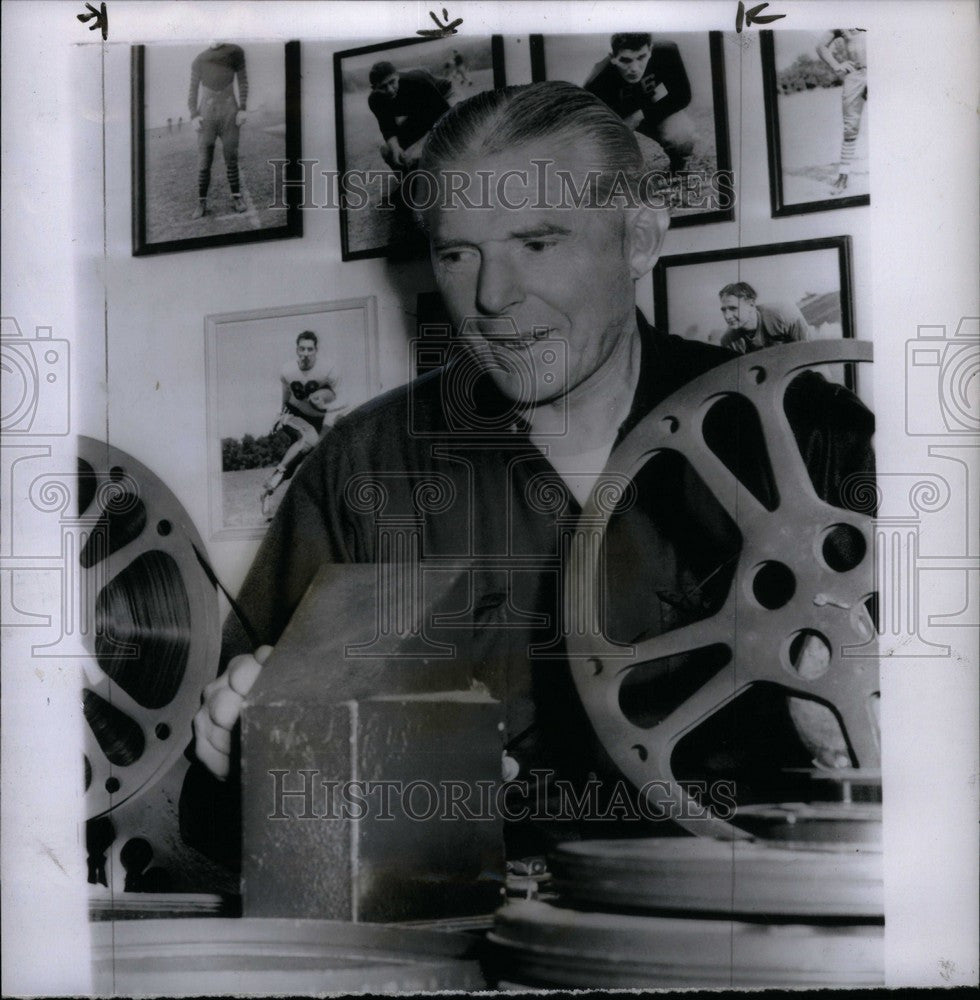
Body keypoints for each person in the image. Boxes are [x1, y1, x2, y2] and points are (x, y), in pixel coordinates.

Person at [194, 82, 873, 857]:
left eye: (538, 244)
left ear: (640, 237)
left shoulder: (803, 436)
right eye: (457, 253)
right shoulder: (365, 469)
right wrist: (239, 760)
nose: (492, 296)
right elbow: (235, 825)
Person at [584, 32, 697, 173]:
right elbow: (592, 127)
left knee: (681, 133)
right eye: (625, 60)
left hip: (650, 111)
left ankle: (679, 163)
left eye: (641, 57)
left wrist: (641, 114)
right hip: (620, 119)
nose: (635, 68)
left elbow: (682, 96)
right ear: (612, 58)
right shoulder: (598, 80)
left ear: (650, 50)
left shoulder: (667, 53)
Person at [260, 331, 343, 517]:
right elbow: (285, 394)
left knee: (305, 457)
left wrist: (325, 432)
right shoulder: (288, 370)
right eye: (302, 349)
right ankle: (279, 472)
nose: (305, 353)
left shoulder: (329, 370)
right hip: (293, 414)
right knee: (309, 437)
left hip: (318, 419)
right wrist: (279, 414)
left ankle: (267, 491)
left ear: (316, 351)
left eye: (310, 349)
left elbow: (335, 403)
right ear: (297, 350)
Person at [188, 40, 249, 219]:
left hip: (229, 109)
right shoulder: (199, 60)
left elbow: (243, 80)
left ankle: (236, 198)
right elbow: (192, 90)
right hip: (206, 112)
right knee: (204, 160)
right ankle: (201, 202)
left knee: (231, 156)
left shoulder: (235, 51)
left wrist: (243, 108)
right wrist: (193, 115)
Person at [367, 60, 451, 174]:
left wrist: (421, 146)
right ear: (374, 88)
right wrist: (396, 148)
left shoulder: (416, 81)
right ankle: (409, 181)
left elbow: (444, 115)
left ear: (397, 76)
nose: (390, 90)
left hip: (445, 97)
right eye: (383, 87)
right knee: (387, 150)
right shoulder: (375, 100)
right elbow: (388, 127)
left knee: (455, 128)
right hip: (419, 112)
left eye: (392, 82)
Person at [816, 29, 868, 194]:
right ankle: (843, 176)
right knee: (850, 127)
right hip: (856, 74)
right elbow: (821, 47)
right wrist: (836, 65)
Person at [717, 281, 812, 354]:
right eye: (724, 310)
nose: (727, 316)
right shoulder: (729, 342)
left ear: (751, 304)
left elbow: (810, 352)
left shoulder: (783, 315)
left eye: (733, 308)